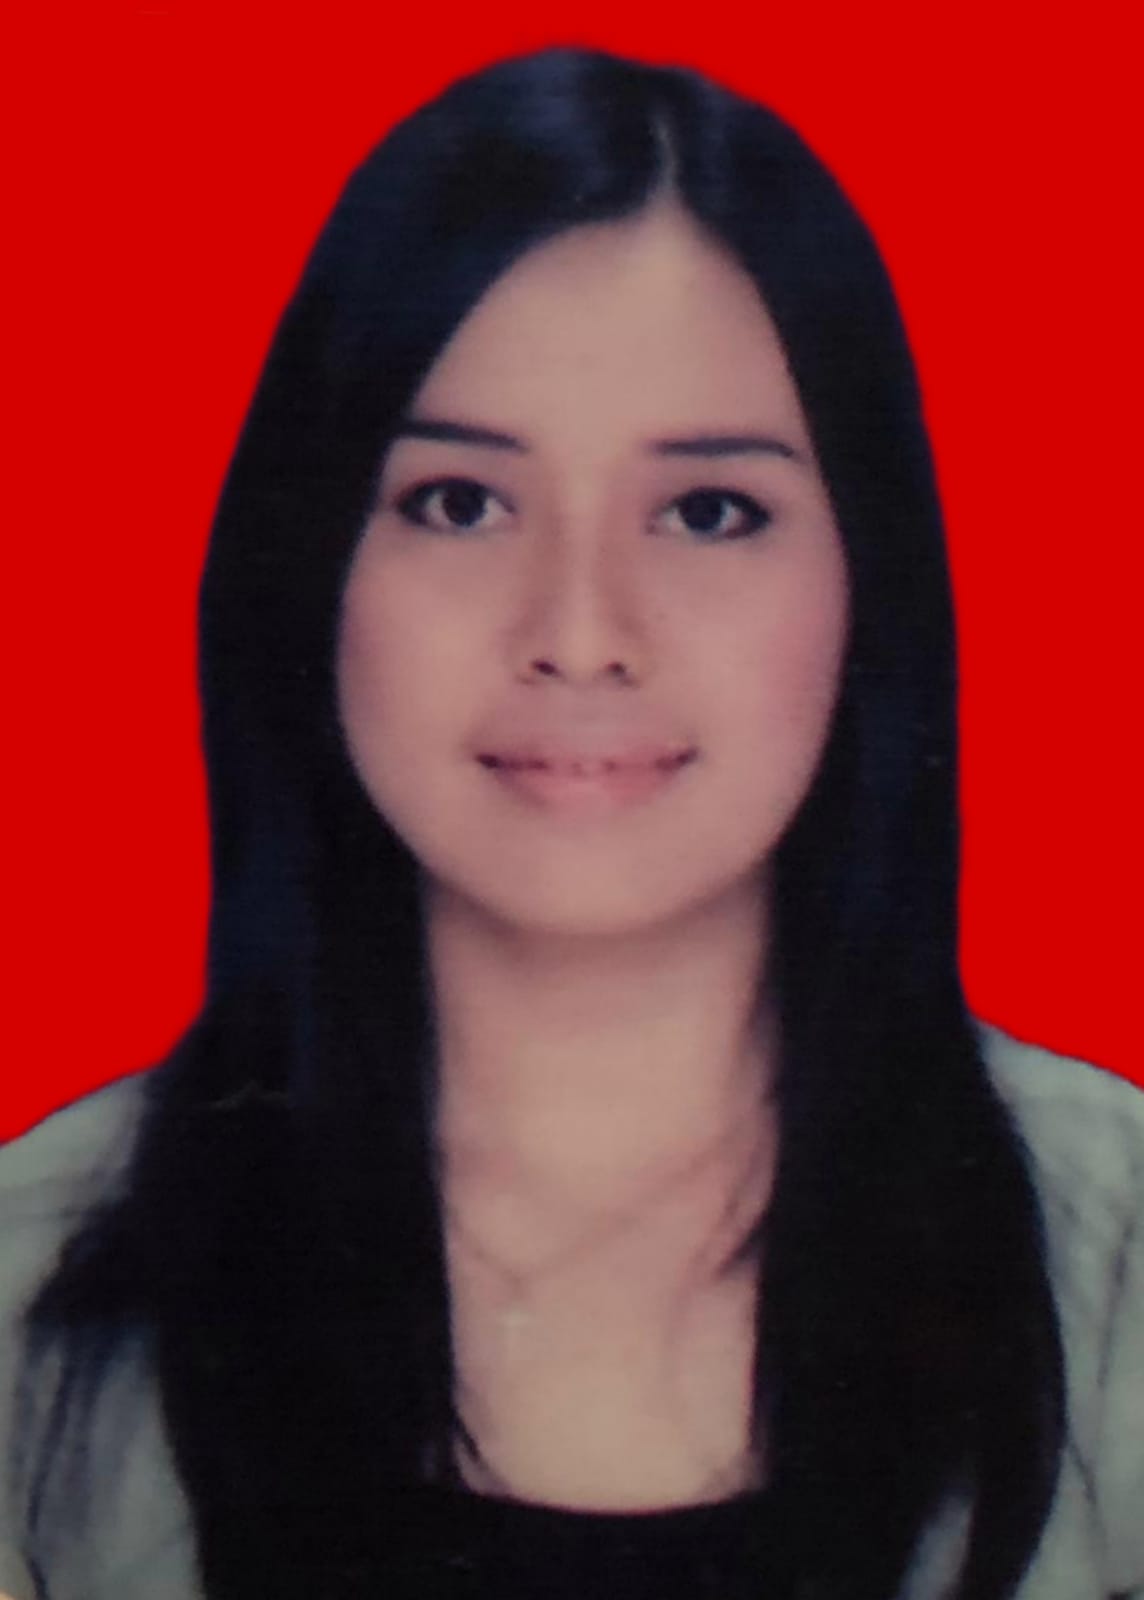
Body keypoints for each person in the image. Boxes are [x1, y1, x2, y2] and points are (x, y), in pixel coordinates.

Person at [0, 45, 1140, 1600]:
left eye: (708, 511)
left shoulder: (1125, 1277)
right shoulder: (29, 1296)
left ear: (867, 579)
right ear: (311, 569)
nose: (583, 633)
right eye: (460, 503)